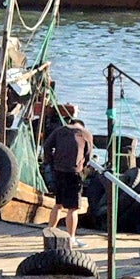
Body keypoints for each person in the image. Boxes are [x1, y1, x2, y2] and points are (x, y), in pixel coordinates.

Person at [42, 102, 95, 243]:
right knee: (73, 208)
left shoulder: (59, 131)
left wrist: (51, 162)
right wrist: (84, 166)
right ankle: (71, 237)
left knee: (58, 204)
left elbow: (47, 147)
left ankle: (49, 232)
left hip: (58, 170)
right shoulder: (85, 134)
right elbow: (88, 155)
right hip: (74, 172)